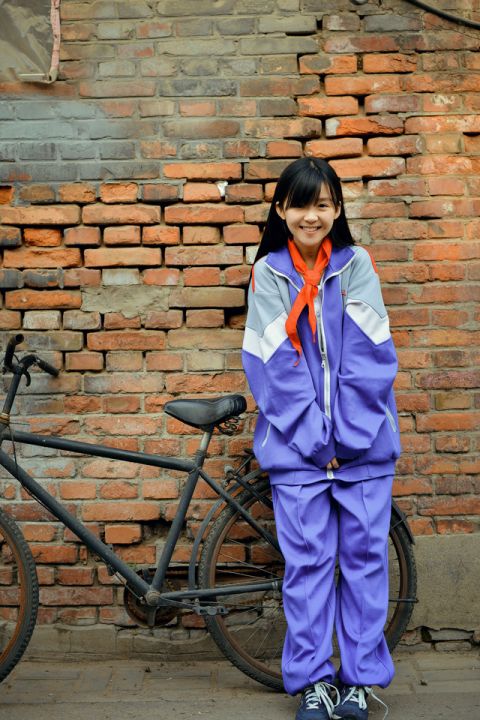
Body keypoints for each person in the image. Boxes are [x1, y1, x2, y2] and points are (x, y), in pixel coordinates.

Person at [242, 157, 401, 720]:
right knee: (307, 569)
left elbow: (371, 356)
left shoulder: (357, 266)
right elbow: (271, 366)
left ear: (337, 210)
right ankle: (313, 681)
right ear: (280, 209)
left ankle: (358, 681)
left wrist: (348, 439)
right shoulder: (268, 274)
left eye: (324, 205)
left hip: (365, 450)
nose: (312, 216)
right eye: (301, 205)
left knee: (364, 564)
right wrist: (316, 440)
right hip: (297, 452)